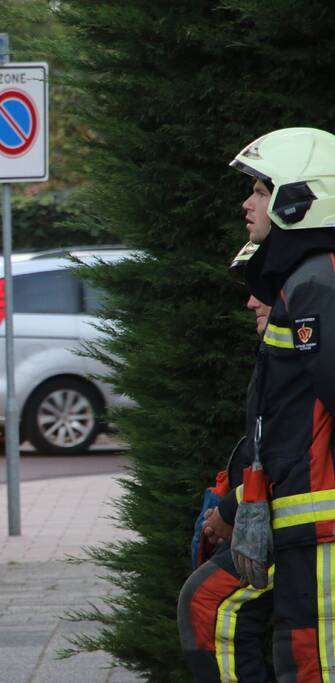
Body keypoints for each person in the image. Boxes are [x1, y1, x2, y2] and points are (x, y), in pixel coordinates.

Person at [230, 127, 335, 680]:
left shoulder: (317, 284)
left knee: (314, 664)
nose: (248, 203)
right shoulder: (305, 279)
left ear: (299, 198)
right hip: (303, 517)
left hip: (321, 523)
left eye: (261, 190)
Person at [177, 242, 274, 683]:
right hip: (275, 519)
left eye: (262, 288)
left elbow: (283, 450)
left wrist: (231, 512)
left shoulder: (303, 352)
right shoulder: (279, 354)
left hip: (301, 530)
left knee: (207, 601)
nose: (251, 300)